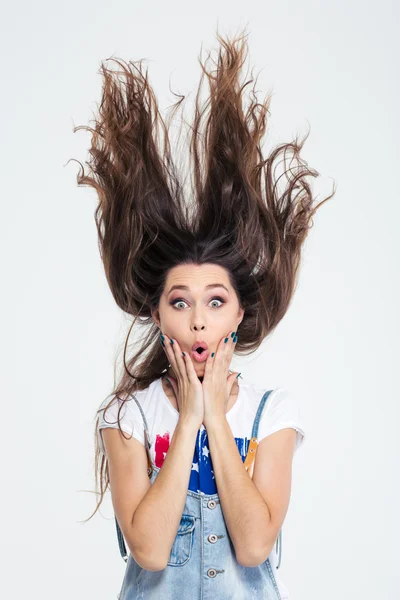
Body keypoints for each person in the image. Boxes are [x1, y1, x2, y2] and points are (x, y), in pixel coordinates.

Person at [73, 28, 335, 600]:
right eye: (180, 301)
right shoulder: (128, 417)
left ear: (239, 312)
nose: (198, 321)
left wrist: (216, 417)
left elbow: (255, 545)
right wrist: (187, 418)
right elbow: (148, 549)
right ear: (158, 314)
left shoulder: (273, 415)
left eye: (216, 302)